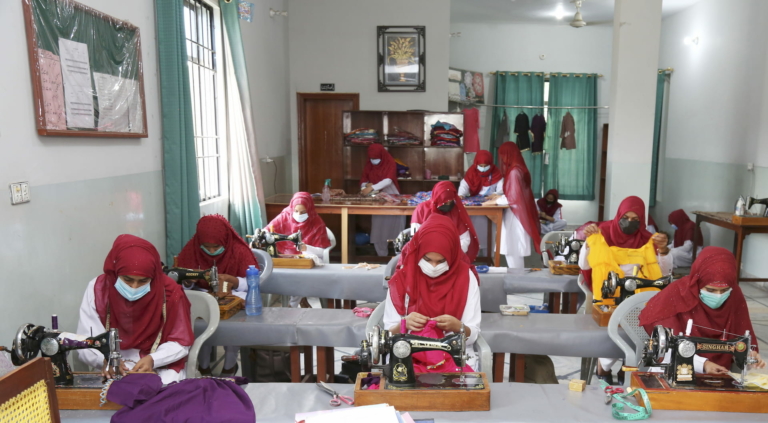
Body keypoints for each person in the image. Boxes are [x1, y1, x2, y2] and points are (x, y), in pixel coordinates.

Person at [578, 196, 672, 384]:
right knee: (618, 324)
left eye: (635, 219)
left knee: (645, 326)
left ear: (642, 221)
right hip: (608, 295)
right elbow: (584, 265)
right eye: (625, 217)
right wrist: (589, 243)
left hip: (639, 297)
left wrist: (664, 251)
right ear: (618, 214)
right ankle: (604, 365)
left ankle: (626, 366)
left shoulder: (648, 239)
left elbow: (665, 272)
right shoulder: (601, 232)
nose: (629, 222)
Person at [76, 235, 194, 384]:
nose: (134, 287)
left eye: (143, 281)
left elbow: (180, 341)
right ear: (115, 273)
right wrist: (105, 360)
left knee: (160, 395)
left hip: (159, 361)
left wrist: (153, 359)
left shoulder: (170, 293)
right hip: (113, 363)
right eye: (127, 280)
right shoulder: (98, 290)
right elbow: (87, 339)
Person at [639, 247, 764, 374]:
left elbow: (742, 337)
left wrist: (750, 356)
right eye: (710, 290)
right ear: (697, 282)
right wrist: (703, 364)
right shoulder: (675, 295)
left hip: (721, 374)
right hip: (675, 370)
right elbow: (665, 347)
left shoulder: (734, 296)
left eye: (725, 290)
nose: (719, 295)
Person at [384, 214, 481, 372]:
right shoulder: (402, 279)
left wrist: (459, 327)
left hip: (455, 356)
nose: (434, 266)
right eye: (427, 259)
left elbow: (473, 333)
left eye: (441, 261)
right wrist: (404, 324)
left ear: (452, 255)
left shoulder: (466, 278)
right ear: (418, 251)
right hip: (407, 355)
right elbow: (388, 334)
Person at [176, 214, 259, 376]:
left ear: (226, 240)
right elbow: (183, 280)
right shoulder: (191, 250)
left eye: (216, 247)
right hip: (203, 295)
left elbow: (253, 282)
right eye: (207, 247)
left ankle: (229, 366)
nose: (212, 252)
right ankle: (204, 365)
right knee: (202, 325)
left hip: (236, 294)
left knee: (232, 328)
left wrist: (233, 281)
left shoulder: (240, 251)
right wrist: (188, 282)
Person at [264, 192, 332, 307]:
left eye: (303, 212)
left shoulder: (317, 222)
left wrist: (307, 248)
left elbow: (322, 252)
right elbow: (266, 230)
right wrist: (263, 235)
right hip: (286, 256)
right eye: (296, 211)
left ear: (309, 210)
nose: (298, 214)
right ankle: (299, 299)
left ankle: (293, 303)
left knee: (299, 273)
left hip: (306, 258)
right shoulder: (285, 216)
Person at [483, 142, 542, 268]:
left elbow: (513, 198)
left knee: (512, 250)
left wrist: (495, 201)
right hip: (518, 213)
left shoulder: (515, 172)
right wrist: (499, 197)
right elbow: (516, 193)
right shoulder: (519, 168)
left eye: (503, 155)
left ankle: (518, 282)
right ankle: (518, 280)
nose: (502, 159)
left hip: (515, 216)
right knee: (513, 250)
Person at [412, 181, 479, 262]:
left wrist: (451, 255)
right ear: (437, 198)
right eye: (444, 202)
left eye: (450, 202)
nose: (447, 205)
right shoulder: (422, 209)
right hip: (426, 256)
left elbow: (464, 239)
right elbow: (415, 237)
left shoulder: (456, 212)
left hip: (452, 256)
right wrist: (431, 256)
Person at [361, 144, 406, 256]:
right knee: (378, 228)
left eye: (376, 159)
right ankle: (381, 255)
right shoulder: (369, 164)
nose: (374, 161)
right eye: (372, 159)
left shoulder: (390, 162)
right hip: (377, 198)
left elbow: (388, 180)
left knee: (396, 227)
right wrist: (364, 187)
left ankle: (399, 257)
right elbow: (364, 178)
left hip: (392, 196)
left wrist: (372, 187)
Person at [458, 150, 504, 256]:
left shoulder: (496, 174)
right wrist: (461, 194)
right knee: (474, 233)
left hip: (490, 208)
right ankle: (474, 255)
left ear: (491, 164)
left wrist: (496, 194)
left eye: (486, 165)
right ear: (476, 164)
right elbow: (464, 185)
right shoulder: (471, 172)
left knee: (489, 235)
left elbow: (501, 190)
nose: (483, 168)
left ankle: (489, 257)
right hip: (475, 209)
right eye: (480, 165)